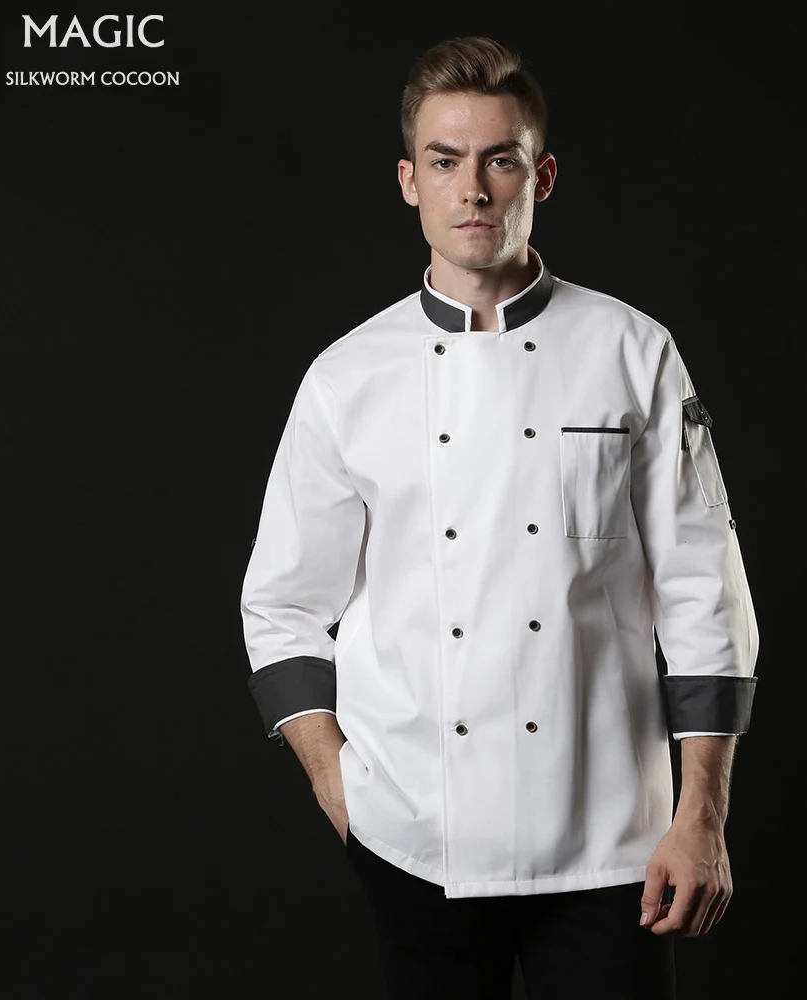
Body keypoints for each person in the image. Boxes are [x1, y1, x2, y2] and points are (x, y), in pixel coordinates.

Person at [239, 35, 759, 1000]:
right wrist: (338, 787)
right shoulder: (346, 377)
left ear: (541, 176)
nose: (472, 189)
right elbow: (281, 605)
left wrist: (703, 816)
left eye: (499, 160)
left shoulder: (633, 351)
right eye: (444, 161)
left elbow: (706, 594)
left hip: (613, 834)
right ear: (410, 181)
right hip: (413, 835)